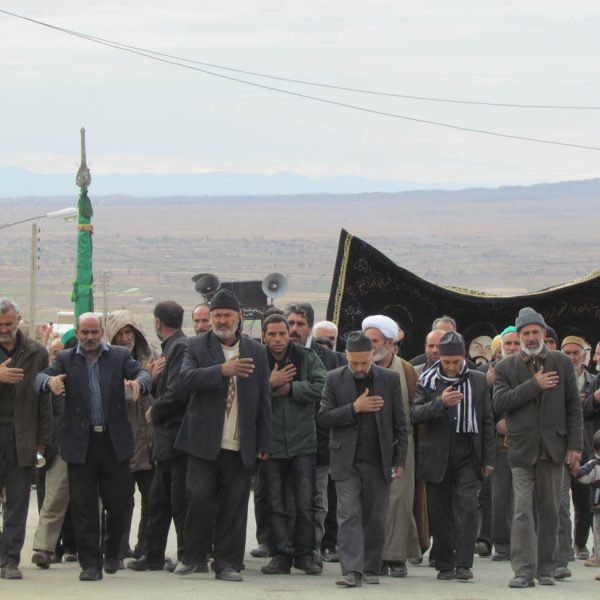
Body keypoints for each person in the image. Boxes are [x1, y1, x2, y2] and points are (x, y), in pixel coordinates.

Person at [36, 312, 152, 581]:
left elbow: (143, 373)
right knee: (84, 506)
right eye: (85, 333)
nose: (89, 337)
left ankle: (112, 551)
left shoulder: (119, 357)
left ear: (102, 333)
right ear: (77, 333)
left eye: (94, 332)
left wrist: (139, 383)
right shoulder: (66, 359)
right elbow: (39, 378)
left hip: (114, 443)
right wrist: (49, 382)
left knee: (119, 503)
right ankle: (90, 564)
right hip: (80, 445)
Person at [174, 289, 272, 582]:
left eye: (227, 315)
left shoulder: (257, 351)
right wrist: (222, 370)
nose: (222, 320)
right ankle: (193, 557)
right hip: (203, 442)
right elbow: (184, 380)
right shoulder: (195, 346)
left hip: (241, 443)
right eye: (216, 315)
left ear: (239, 317)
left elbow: (264, 400)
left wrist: (264, 441)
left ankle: (227, 563)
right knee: (199, 498)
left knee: (235, 505)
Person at [493, 307, 583, 588]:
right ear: (519, 336)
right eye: (526, 333)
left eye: (535, 332)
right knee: (522, 510)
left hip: (554, 448)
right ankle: (523, 571)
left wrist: (575, 447)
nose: (531, 337)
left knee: (550, 510)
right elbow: (500, 402)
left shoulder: (561, 362)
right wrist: (534, 384)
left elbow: (573, 407)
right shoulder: (506, 367)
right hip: (522, 449)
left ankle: (546, 568)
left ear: (543, 333)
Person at [318, 331, 407, 588]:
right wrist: (354, 409)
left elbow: (400, 423)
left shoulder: (389, 379)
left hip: (379, 459)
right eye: (354, 362)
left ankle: (370, 567)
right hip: (346, 460)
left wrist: (399, 460)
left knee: (375, 517)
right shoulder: (334, 379)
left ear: (372, 356)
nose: (359, 367)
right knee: (348, 515)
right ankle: (352, 570)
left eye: (363, 362)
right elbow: (323, 418)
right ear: (347, 356)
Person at [412, 331, 495, 581]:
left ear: (463, 357)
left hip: (467, 452)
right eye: (446, 362)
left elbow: (487, 421)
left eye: (455, 361)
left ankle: (464, 564)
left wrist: (488, 459)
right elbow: (415, 414)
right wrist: (441, 402)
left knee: (467, 508)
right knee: (439, 512)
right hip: (436, 455)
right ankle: (444, 563)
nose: (450, 366)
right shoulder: (427, 380)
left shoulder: (478, 380)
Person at [260, 313, 326, 576]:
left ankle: (305, 555)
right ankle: (280, 555)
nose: (278, 339)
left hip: (303, 443)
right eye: (272, 334)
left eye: (282, 334)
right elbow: (246, 393)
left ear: (289, 335)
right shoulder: (257, 359)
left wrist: (292, 389)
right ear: (264, 336)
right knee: (275, 503)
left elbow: (322, 386)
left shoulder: (306, 358)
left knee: (305, 503)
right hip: (271, 443)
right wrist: (270, 384)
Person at [128, 301, 189, 572]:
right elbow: (165, 387)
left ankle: (187, 555)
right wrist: (152, 381)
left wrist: (156, 409)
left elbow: (177, 391)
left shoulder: (180, 347)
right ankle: (152, 554)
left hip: (175, 437)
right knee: (159, 500)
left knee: (178, 500)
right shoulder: (170, 347)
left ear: (157, 322)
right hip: (165, 440)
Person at [362, 315, 421, 577]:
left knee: (398, 500)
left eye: (375, 341)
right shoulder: (359, 366)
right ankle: (372, 554)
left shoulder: (407, 370)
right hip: (367, 444)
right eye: (368, 341)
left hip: (400, 444)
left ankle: (395, 557)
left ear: (389, 342)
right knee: (371, 502)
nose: (371, 346)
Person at [0, 298, 52, 580]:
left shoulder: (36, 352)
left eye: (8, 324)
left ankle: (9, 560)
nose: (4, 329)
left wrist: (41, 440)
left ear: (18, 321)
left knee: (18, 502)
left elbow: (43, 399)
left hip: (22, 437)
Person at [105, 310, 157, 561]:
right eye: (120, 334)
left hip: (149, 440)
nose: (125, 338)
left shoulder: (151, 356)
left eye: (129, 332)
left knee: (152, 499)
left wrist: (153, 379)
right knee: (120, 501)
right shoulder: (105, 361)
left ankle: (144, 548)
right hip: (121, 442)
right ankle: (117, 548)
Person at [31, 330, 79, 569]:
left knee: (92, 501)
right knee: (53, 499)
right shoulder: (54, 377)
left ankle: (88, 548)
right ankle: (44, 548)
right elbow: (38, 382)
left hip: (91, 447)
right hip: (59, 447)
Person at [571, 430, 600, 581]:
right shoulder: (594, 465)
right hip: (598, 509)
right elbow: (583, 476)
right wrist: (575, 469)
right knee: (598, 537)